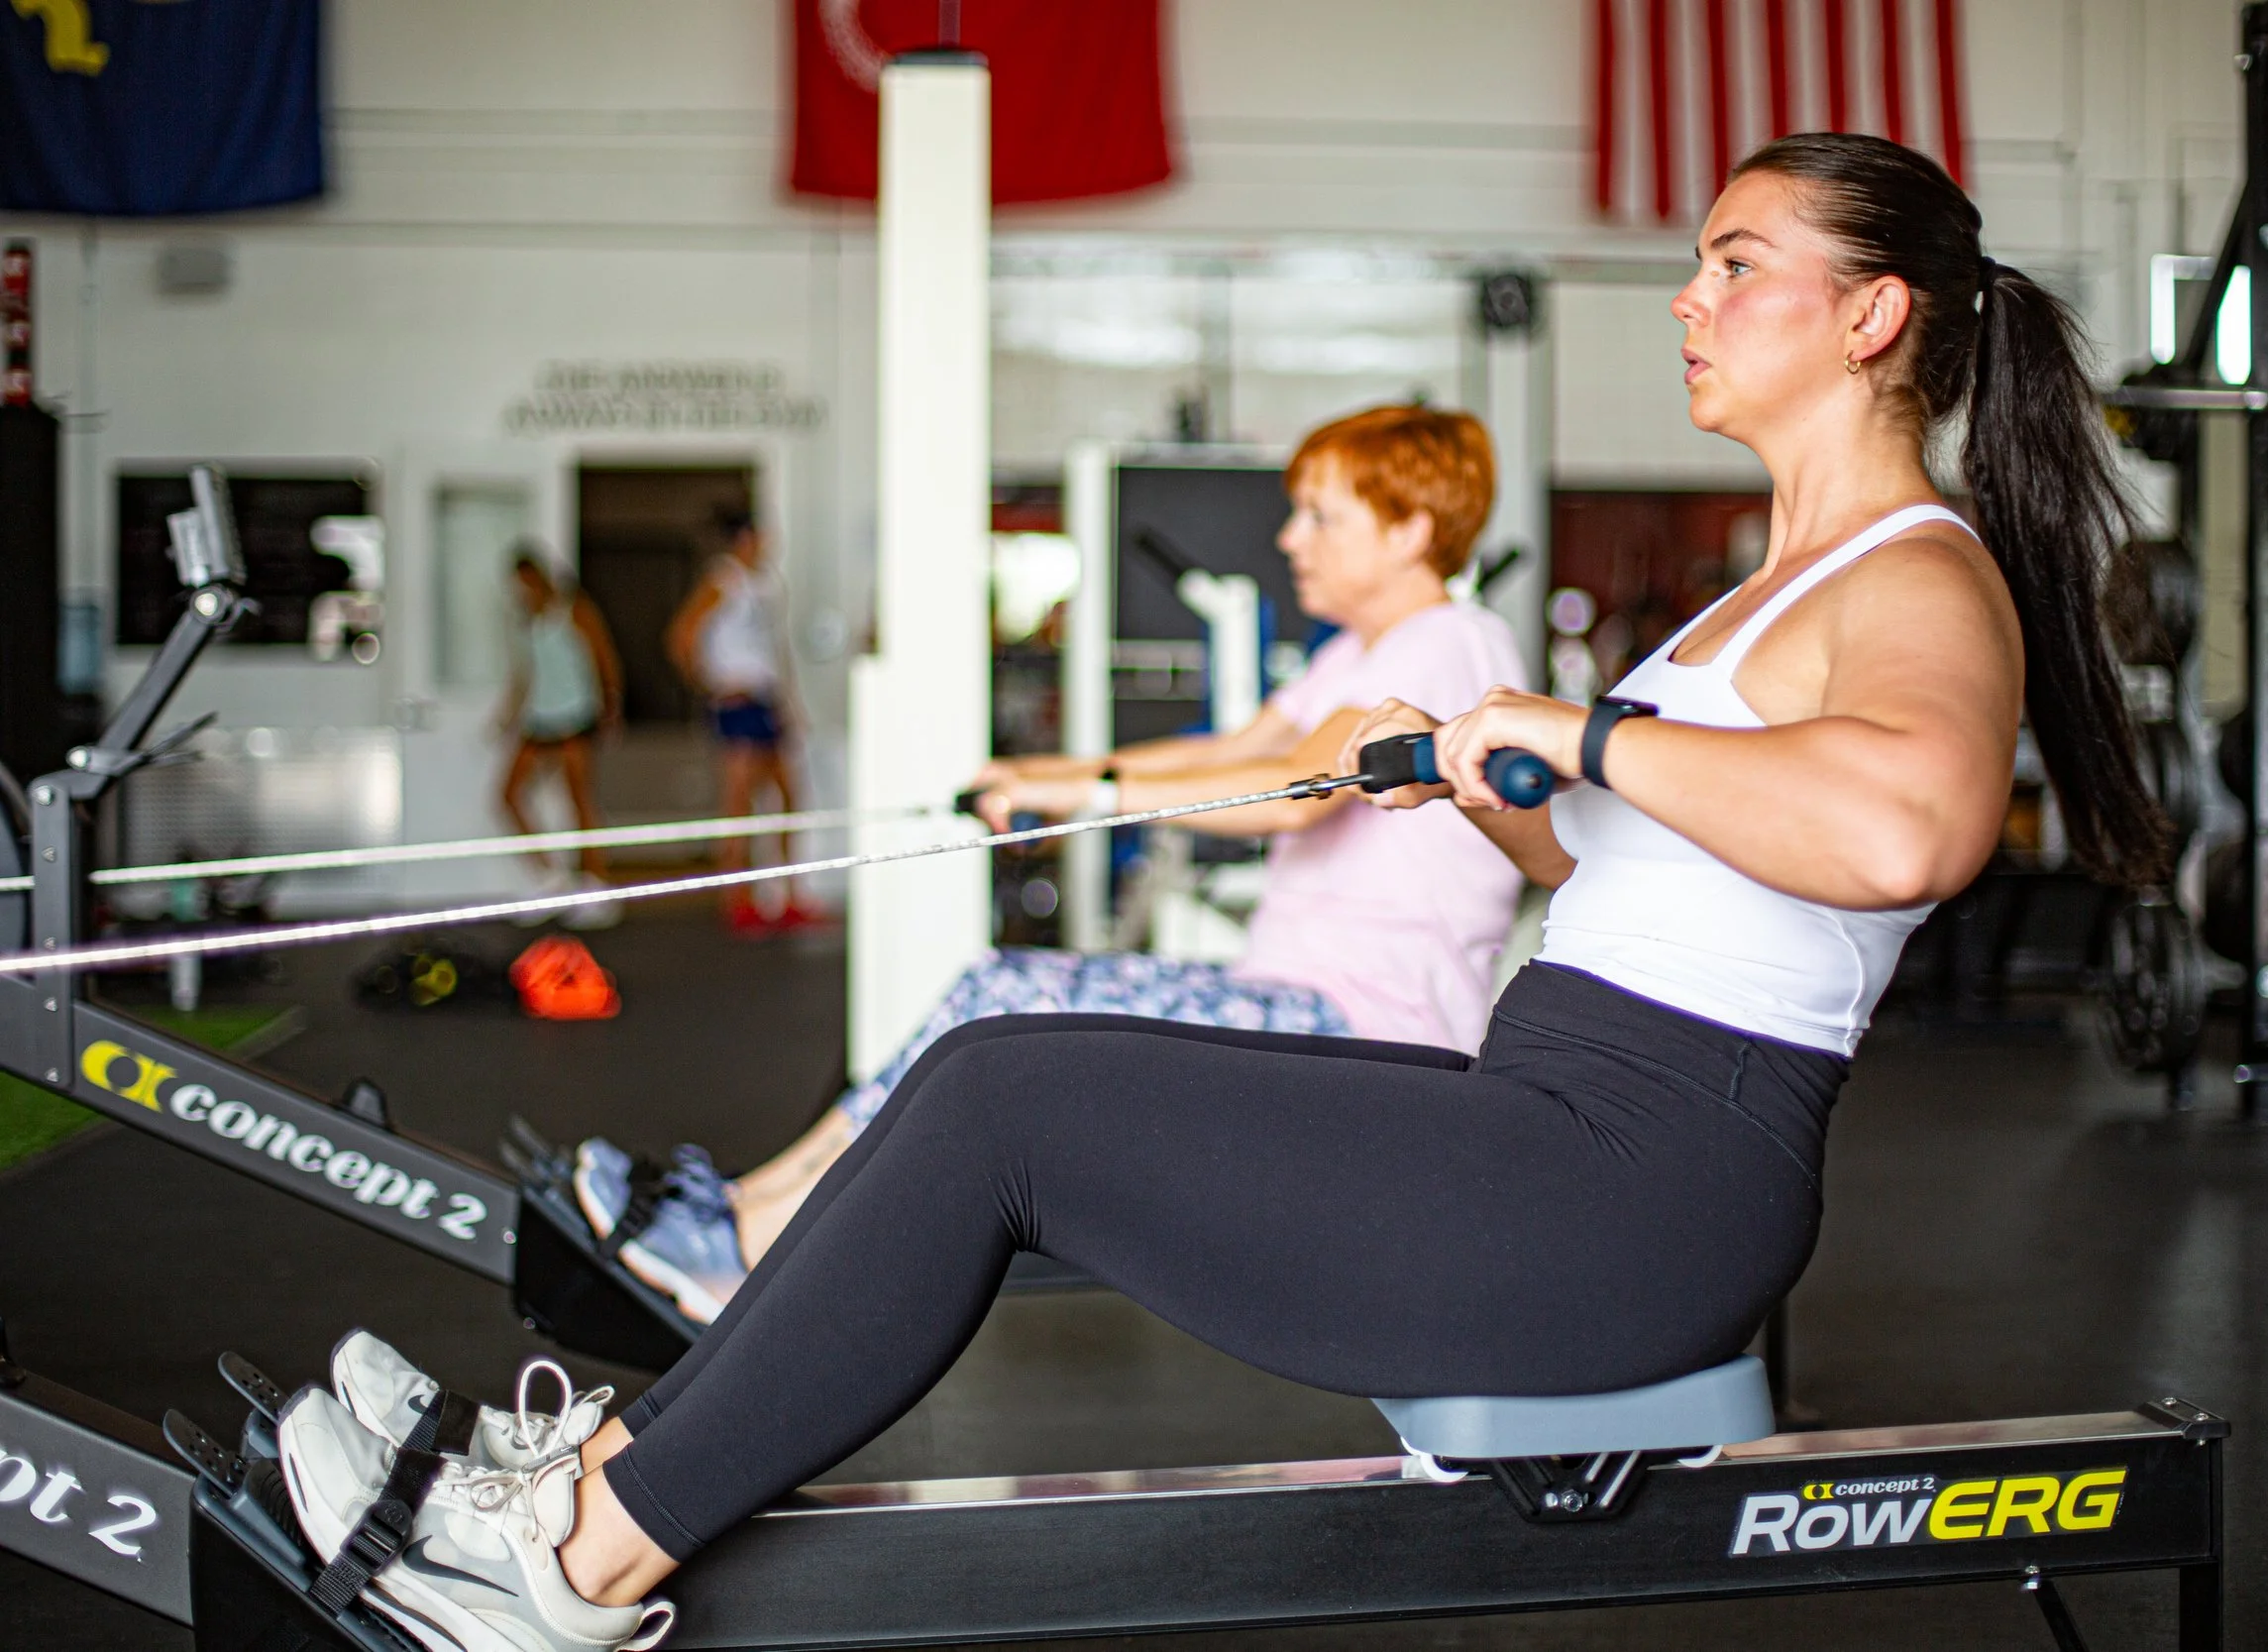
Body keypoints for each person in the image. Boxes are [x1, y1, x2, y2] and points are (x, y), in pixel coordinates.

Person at [275, 133, 2171, 1652]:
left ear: (1873, 314)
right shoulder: (1769, 594)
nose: (1690, 295)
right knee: (991, 1068)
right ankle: (581, 1485)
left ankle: (569, 1562)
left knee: (1006, 1099)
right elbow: (1653, 867)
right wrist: (1492, 789)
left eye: (1736, 262)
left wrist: (1583, 734)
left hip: (1633, 1191)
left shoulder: (1919, 573)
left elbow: (1911, 831)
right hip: (1560, 1122)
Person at [575, 405, 1531, 1322]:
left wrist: (1085, 795)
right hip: (1295, 1000)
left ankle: (749, 1247)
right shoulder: (1364, 650)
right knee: (987, 997)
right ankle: (745, 1205)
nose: (1290, 538)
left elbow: (1296, 786)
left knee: (1000, 999)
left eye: (1321, 516)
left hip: (1368, 1034)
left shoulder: (1451, 642)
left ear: (1410, 529)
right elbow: (1231, 746)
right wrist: (1047, 774)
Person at [666, 509, 824, 935]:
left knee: (787, 796)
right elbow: (683, 634)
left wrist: (789, 702)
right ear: (744, 539)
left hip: (766, 699)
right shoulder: (723, 579)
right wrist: (710, 684)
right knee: (739, 802)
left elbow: (774, 649)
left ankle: (790, 894)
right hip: (737, 704)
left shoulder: (767, 584)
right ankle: (737, 899)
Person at [498, 548, 625, 929]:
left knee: (579, 799)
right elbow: (527, 674)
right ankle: (551, 878)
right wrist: (508, 715)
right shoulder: (527, 621)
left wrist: (611, 705)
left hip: (574, 717)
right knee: (508, 795)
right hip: (540, 719)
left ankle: (596, 886)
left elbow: (604, 658)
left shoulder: (575, 611)